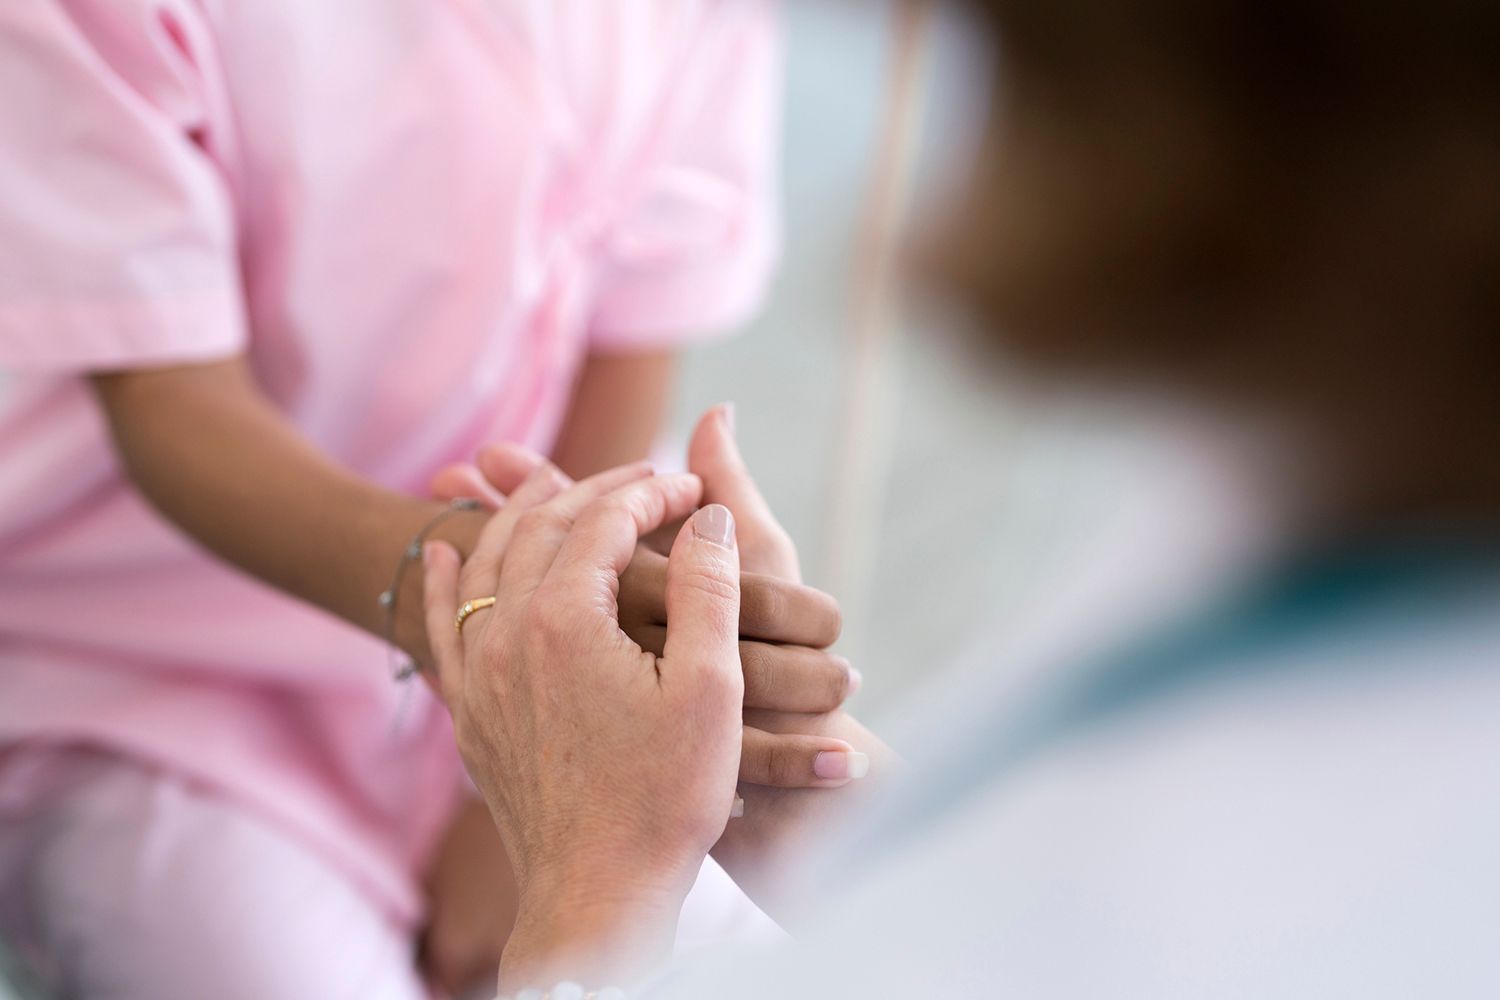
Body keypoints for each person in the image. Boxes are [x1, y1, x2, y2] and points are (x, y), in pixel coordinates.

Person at [422, 0, 1500, 995]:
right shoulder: (1303, 501)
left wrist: (585, 871)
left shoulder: (1213, 905)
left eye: (1017, 63)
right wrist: (799, 792)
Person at [0, 3, 863, 998]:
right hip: (154, 667)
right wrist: (518, 636)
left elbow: (631, 325)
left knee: (762, 954)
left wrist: (533, 795)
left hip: (555, 572)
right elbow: (172, 407)